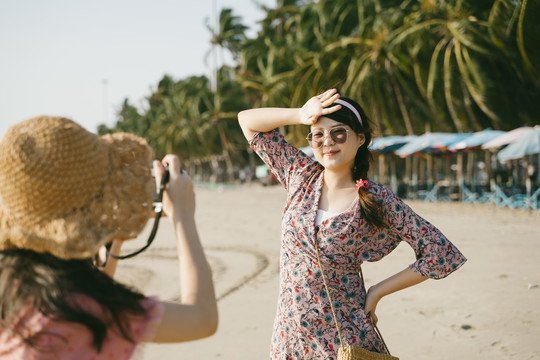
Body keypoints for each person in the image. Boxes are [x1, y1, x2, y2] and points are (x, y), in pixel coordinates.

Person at [238, 89, 467, 359]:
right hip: (290, 338)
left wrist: (378, 290)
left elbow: (440, 252)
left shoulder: (374, 199)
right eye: (318, 135)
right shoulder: (299, 175)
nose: (328, 142)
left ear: (359, 138)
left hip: (344, 340)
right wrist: (300, 115)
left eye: (338, 133)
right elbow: (247, 121)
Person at [0, 116, 218, 359]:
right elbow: (202, 317)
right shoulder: (96, 314)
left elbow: (89, 287)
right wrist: (183, 216)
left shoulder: (11, 290)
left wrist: (111, 230)